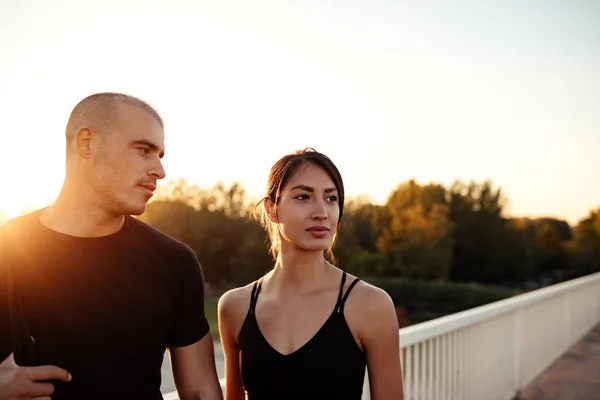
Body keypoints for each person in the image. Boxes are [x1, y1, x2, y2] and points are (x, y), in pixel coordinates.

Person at [0, 93, 223, 400]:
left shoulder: (175, 262)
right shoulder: (6, 250)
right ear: (86, 143)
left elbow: (201, 392)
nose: (160, 171)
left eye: (160, 155)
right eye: (144, 150)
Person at [218, 148, 404, 399]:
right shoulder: (235, 307)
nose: (322, 212)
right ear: (272, 209)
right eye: (303, 197)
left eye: (331, 199)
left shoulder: (370, 305)